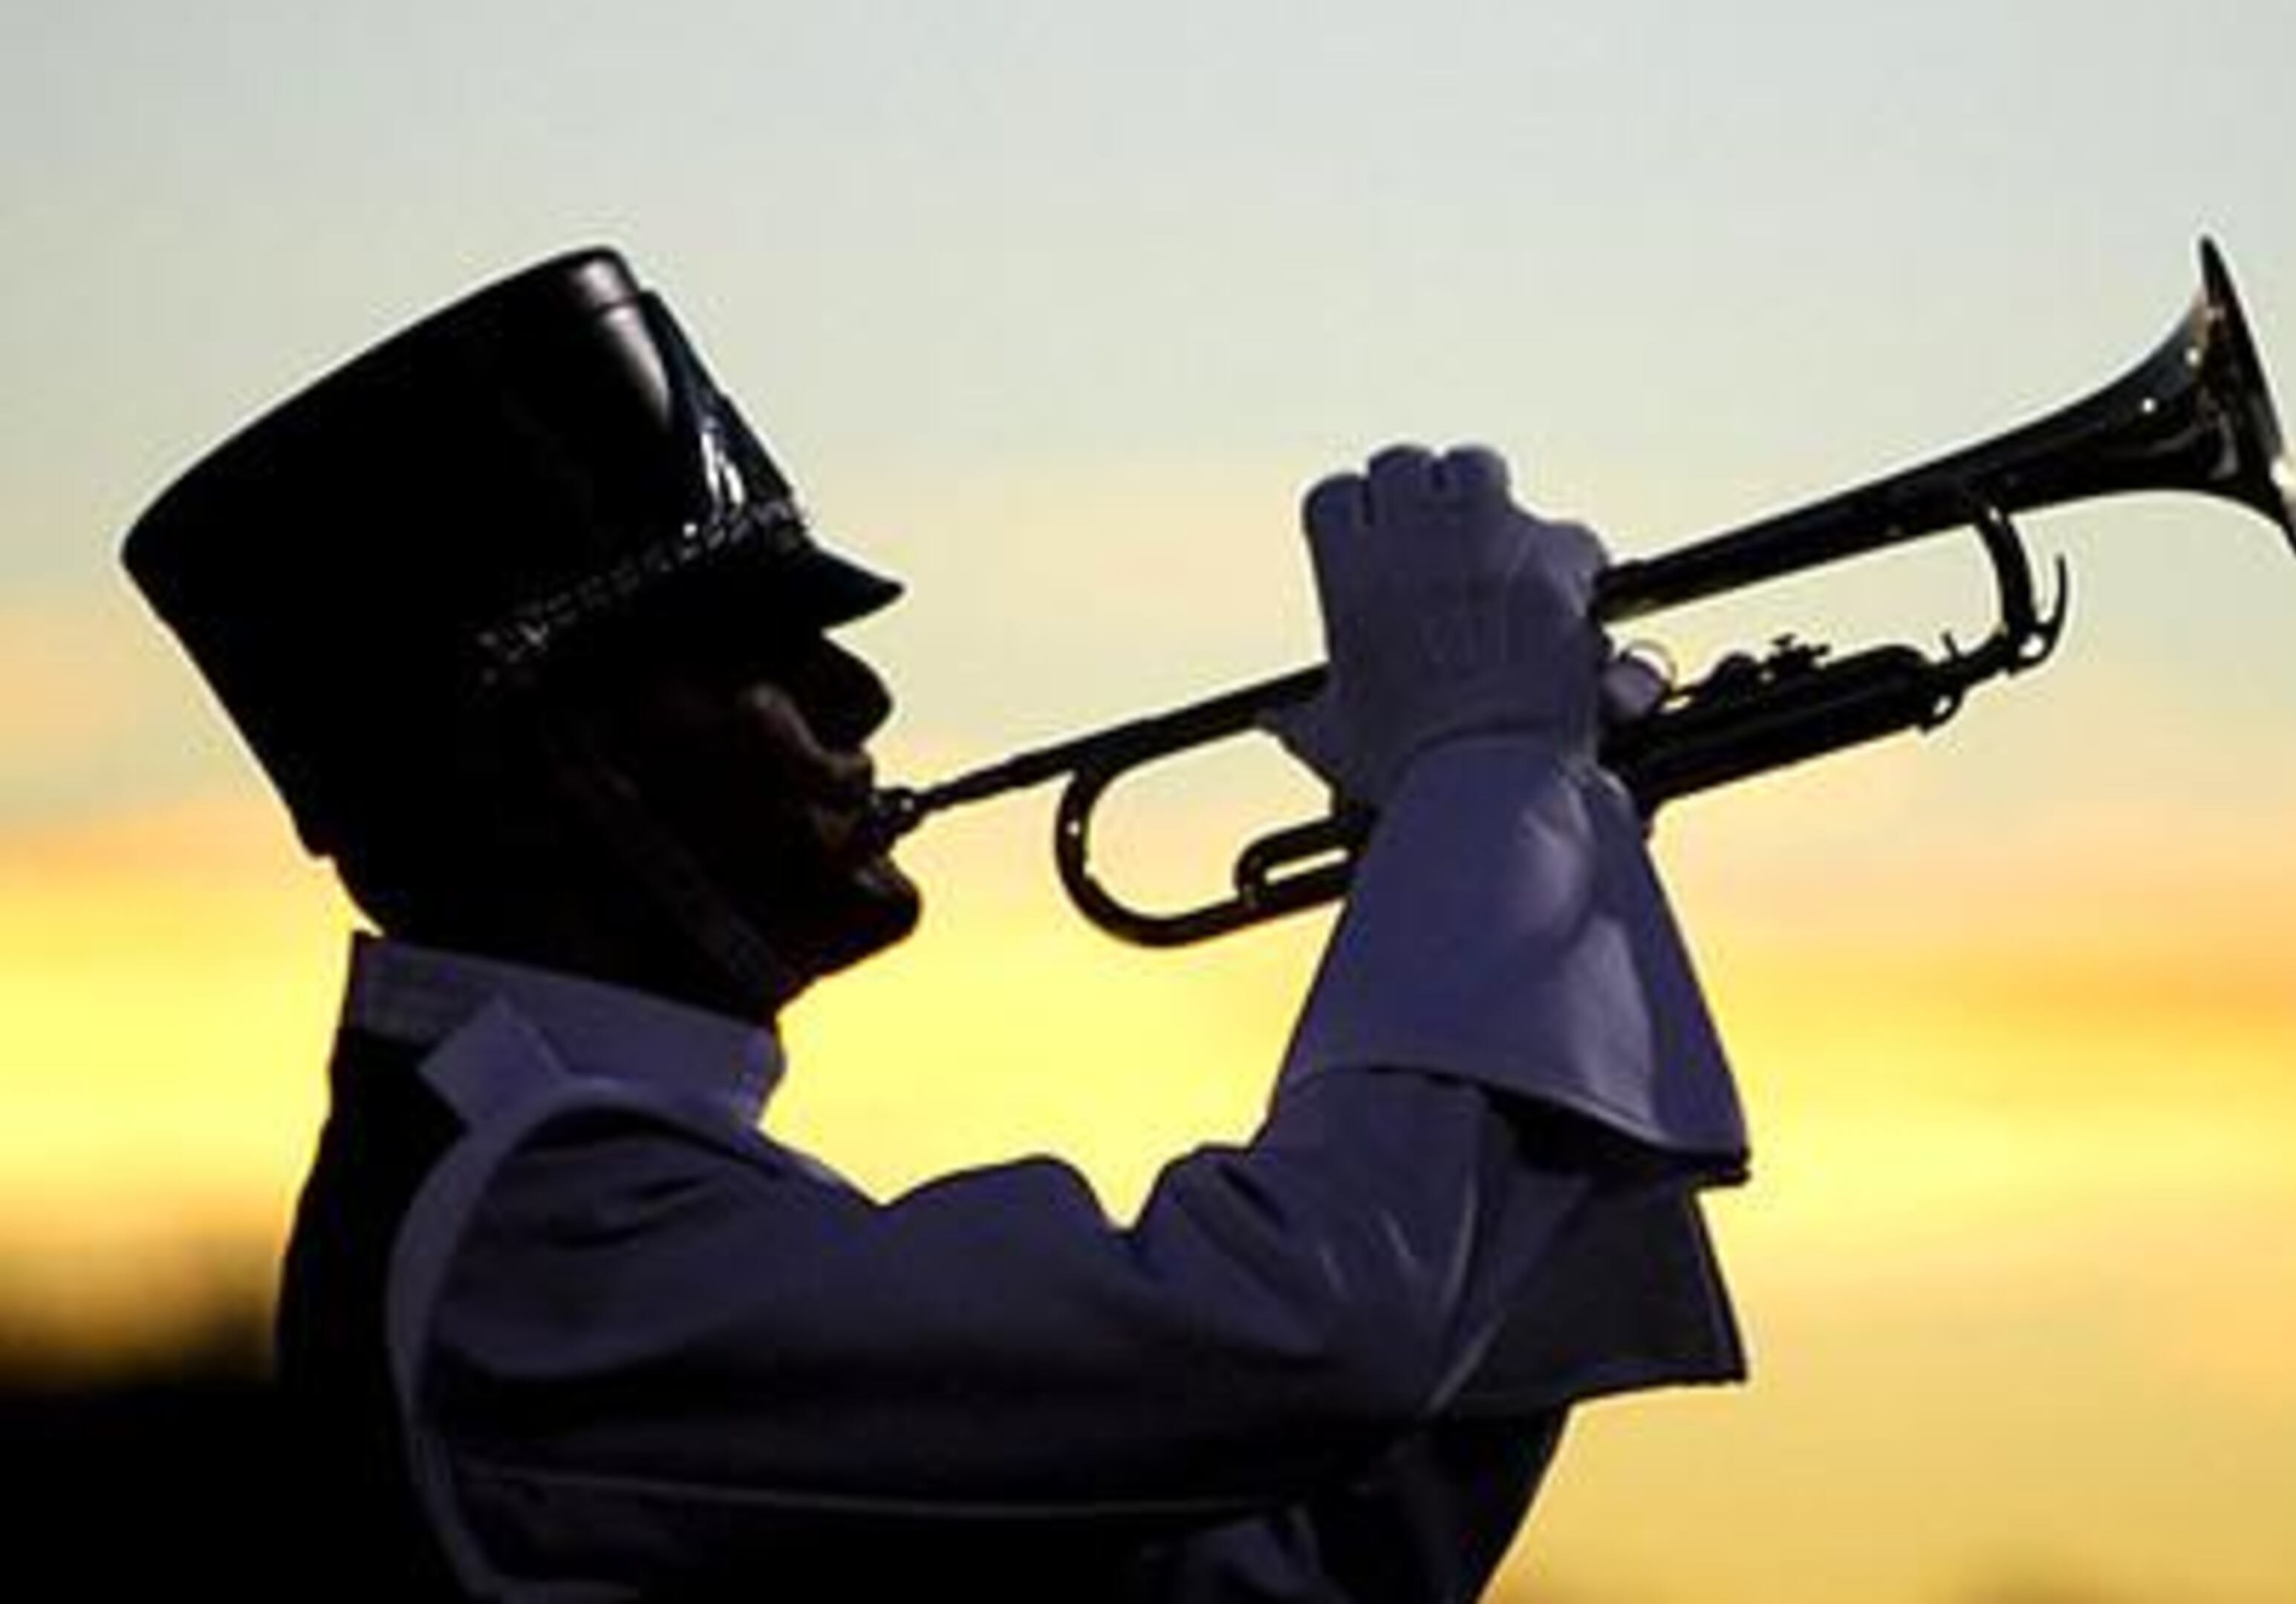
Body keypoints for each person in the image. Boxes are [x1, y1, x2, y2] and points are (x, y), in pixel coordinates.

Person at [123, 248, 1748, 1601]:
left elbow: (1323, 1563)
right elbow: (1303, 1337)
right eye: (752, 651)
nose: (860, 693)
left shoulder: (608, 1209)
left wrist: (1544, 865)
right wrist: (1481, 800)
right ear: (545, 766)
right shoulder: (541, 1253)